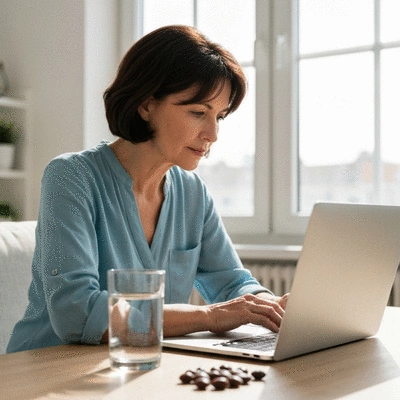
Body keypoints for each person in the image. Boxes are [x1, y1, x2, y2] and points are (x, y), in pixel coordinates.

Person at [7, 25, 289, 353]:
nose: (212, 134)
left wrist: (274, 307)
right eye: (198, 112)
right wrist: (208, 316)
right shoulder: (71, 177)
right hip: (44, 372)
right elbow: (77, 312)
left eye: (220, 117)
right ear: (145, 105)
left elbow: (231, 283)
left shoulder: (193, 193)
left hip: (138, 368)